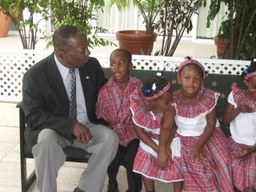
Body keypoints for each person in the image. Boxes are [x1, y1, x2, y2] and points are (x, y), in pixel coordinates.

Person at [22, 25, 119, 192]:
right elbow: (33, 116)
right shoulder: (36, 75)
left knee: (110, 138)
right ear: (62, 55)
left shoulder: (91, 65)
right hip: (54, 129)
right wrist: (70, 125)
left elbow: (106, 93)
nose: (88, 53)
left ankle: (86, 188)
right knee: (45, 140)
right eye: (82, 50)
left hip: (88, 126)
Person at [172, 57, 234, 191]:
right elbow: (168, 125)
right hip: (184, 136)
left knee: (224, 160)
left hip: (209, 133)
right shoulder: (173, 99)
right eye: (187, 78)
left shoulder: (208, 97)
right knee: (198, 163)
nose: (191, 83)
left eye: (196, 79)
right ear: (179, 79)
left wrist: (200, 144)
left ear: (202, 81)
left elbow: (211, 124)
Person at [96, 48, 142, 192]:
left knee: (132, 158)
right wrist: (115, 136)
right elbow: (101, 118)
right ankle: (112, 182)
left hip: (134, 133)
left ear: (130, 66)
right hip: (113, 132)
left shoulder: (138, 86)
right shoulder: (105, 91)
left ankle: (134, 189)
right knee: (112, 156)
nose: (115, 67)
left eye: (120, 63)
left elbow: (143, 113)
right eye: (112, 64)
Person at [130, 75, 184, 192]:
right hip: (149, 139)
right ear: (152, 101)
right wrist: (158, 150)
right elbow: (140, 133)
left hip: (170, 136)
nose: (170, 102)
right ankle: (150, 190)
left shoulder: (170, 107)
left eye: (171, 99)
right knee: (144, 156)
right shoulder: (138, 107)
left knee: (176, 157)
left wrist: (164, 149)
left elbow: (167, 128)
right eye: (167, 101)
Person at [222, 59, 256, 192]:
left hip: (254, 146)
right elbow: (225, 121)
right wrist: (239, 110)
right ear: (246, 82)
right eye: (254, 87)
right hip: (236, 143)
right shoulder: (236, 96)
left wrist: (251, 150)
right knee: (233, 168)